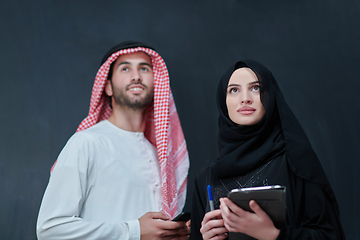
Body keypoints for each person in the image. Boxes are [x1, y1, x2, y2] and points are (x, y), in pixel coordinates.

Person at [37, 41, 190, 240]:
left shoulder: (162, 157)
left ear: (156, 83)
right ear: (107, 86)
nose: (136, 76)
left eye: (144, 68)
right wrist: (133, 231)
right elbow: (49, 229)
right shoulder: (86, 143)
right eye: (125, 68)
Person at [189, 60, 346, 240]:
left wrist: (273, 235)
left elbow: (330, 236)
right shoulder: (207, 178)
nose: (245, 98)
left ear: (270, 96)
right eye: (234, 90)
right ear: (223, 103)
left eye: (255, 88)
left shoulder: (296, 163)